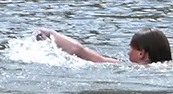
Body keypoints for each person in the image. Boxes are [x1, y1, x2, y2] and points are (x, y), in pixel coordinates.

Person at [35, 27, 171, 64]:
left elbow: (79, 51)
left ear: (141, 53)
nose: (128, 53)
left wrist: (50, 33)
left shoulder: (132, 68)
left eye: (132, 49)